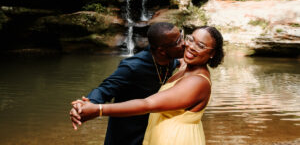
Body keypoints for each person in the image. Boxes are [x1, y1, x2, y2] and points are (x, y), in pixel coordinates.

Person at [71, 26, 224, 145]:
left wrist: (98, 110)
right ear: (162, 50)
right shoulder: (135, 66)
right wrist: (87, 104)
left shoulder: (191, 75)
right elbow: (105, 88)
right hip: (130, 135)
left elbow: (148, 104)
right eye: (187, 40)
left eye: (201, 45)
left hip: (172, 137)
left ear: (212, 53)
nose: (187, 45)